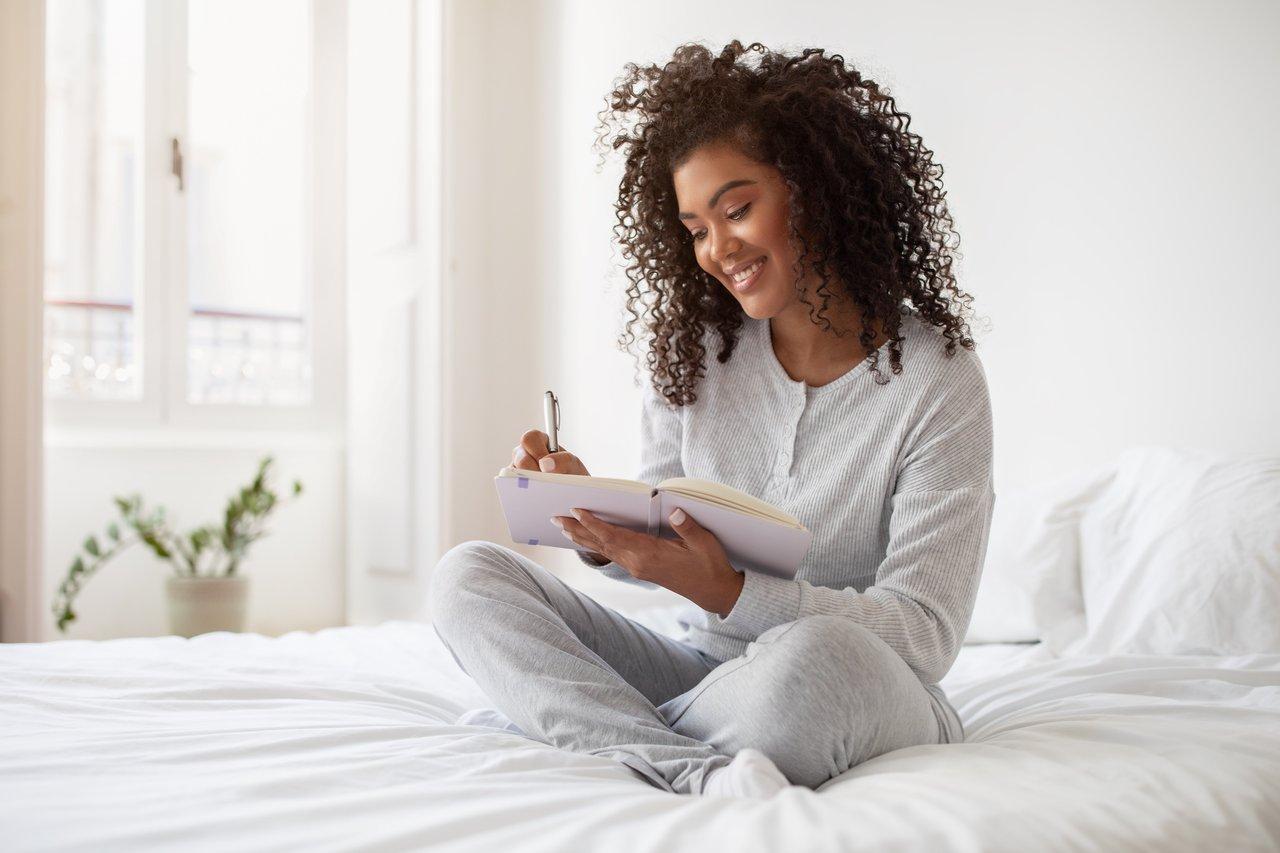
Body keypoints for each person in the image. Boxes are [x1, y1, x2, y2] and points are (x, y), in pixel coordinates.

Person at [430, 40, 994, 798]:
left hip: (852, 682)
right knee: (467, 576)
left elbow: (924, 633)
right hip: (709, 672)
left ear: (816, 190)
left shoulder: (937, 380)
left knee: (814, 663)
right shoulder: (697, 353)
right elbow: (670, 523)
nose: (717, 249)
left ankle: (594, 726)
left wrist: (735, 592)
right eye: (696, 227)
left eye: (736, 209)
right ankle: (686, 765)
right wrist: (592, 514)